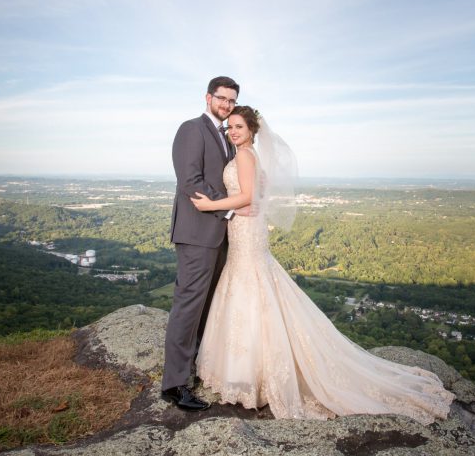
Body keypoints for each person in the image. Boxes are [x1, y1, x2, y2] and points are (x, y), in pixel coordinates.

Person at [190, 106, 455, 423]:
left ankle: (252, 375)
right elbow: (256, 195)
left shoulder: (245, 156)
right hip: (247, 229)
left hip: (247, 232)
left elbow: (247, 196)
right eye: (229, 127)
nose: (233, 132)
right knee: (251, 285)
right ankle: (248, 369)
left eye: (239, 127)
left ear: (251, 130)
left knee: (249, 287)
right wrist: (242, 207)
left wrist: (212, 205)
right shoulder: (250, 156)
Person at [162, 76, 241, 411]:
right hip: (197, 232)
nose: (226, 105)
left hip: (219, 234)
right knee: (189, 305)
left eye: (231, 101)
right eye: (221, 99)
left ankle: (193, 367)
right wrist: (230, 208)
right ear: (208, 97)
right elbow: (190, 182)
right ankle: (174, 384)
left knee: (208, 305)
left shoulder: (227, 137)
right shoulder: (192, 129)